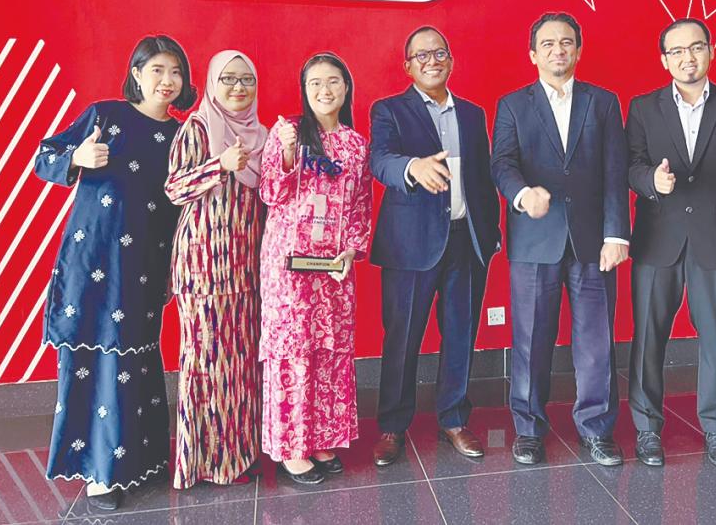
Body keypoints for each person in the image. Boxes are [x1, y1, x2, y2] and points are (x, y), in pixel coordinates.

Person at [35, 35, 196, 511]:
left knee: (138, 359)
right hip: (94, 260)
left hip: (146, 264)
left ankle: (139, 462)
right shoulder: (104, 116)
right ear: (137, 73)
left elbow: (180, 208)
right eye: (157, 70)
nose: (166, 81)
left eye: (175, 72)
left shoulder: (182, 135)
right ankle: (98, 473)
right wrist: (76, 159)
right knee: (94, 356)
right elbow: (44, 155)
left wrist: (174, 266)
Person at [491, 12, 630, 467]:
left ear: (578, 50)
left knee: (596, 341)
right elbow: (502, 164)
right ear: (533, 54)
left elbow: (614, 172)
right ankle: (529, 429)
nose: (558, 51)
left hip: (593, 241)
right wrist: (520, 193)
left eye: (566, 43)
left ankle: (596, 428)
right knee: (531, 339)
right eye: (548, 44)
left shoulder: (604, 102)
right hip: (534, 239)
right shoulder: (512, 104)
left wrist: (617, 234)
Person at [626, 17, 716, 469]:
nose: (688, 57)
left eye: (696, 48)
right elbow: (630, 166)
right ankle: (647, 429)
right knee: (647, 339)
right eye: (678, 51)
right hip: (656, 240)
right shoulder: (643, 108)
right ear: (664, 60)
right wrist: (651, 181)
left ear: (710, 52)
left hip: (715, 244)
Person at [369, 26, 501, 467]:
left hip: (466, 242)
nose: (431, 59)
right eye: (421, 54)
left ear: (450, 59)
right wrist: (412, 167)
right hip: (411, 246)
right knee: (403, 338)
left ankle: (454, 419)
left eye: (439, 52)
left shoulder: (472, 113)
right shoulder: (389, 110)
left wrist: (491, 233)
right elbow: (380, 161)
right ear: (407, 65)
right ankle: (392, 426)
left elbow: (482, 178)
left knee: (461, 335)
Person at [258, 52, 372, 485]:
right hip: (289, 268)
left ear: (346, 88)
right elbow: (270, 192)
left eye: (333, 82)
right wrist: (287, 153)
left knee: (329, 350)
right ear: (305, 91)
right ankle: (291, 447)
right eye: (315, 84)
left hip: (333, 269)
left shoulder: (356, 144)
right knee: (293, 350)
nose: (325, 91)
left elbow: (362, 205)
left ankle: (322, 436)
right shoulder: (287, 132)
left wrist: (352, 251)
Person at [165, 50, 267, 488]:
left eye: (247, 79)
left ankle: (238, 457)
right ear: (211, 83)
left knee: (241, 366)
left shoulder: (263, 135)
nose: (238, 88)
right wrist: (218, 166)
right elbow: (174, 187)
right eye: (228, 79)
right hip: (203, 269)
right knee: (205, 364)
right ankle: (200, 463)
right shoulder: (199, 127)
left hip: (246, 269)